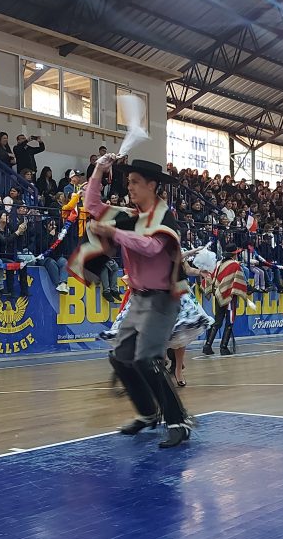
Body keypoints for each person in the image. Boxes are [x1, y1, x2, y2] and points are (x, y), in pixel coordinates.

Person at [71, 155, 193, 448]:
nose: (131, 187)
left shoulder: (164, 217)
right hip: (140, 299)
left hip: (162, 300)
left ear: (152, 185)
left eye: (136, 182)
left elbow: (151, 247)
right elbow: (92, 207)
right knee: (121, 357)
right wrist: (100, 170)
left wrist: (114, 232)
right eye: (128, 182)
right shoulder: (132, 217)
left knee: (148, 359)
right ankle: (149, 414)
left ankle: (178, 421)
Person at [102, 248, 214, 388]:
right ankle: (161, 369)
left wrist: (199, 272)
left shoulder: (175, 247)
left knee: (181, 331)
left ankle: (178, 370)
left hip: (178, 292)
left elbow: (185, 268)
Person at [200, 242, 248, 356]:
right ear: (234, 254)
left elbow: (210, 278)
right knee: (229, 322)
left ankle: (207, 345)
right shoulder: (235, 265)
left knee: (217, 321)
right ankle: (223, 347)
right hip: (229, 296)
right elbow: (239, 282)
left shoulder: (218, 264)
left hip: (218, 294)